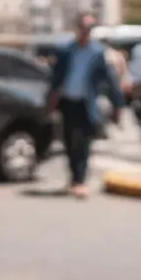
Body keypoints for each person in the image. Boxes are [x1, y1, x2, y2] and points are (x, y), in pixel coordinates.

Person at [47, 13, 126, 198]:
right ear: (77, 28)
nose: (85, 31)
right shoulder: (66, 50)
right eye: (83, 27)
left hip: (87, 103)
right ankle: (74, 177)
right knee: (68, 141)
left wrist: (118, 104)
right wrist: (51, 99)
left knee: (83, 141)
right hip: (68, 102)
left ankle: (80, 180)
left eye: (89, 28)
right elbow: (55, 77)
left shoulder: (98, 52)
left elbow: (110, 80)